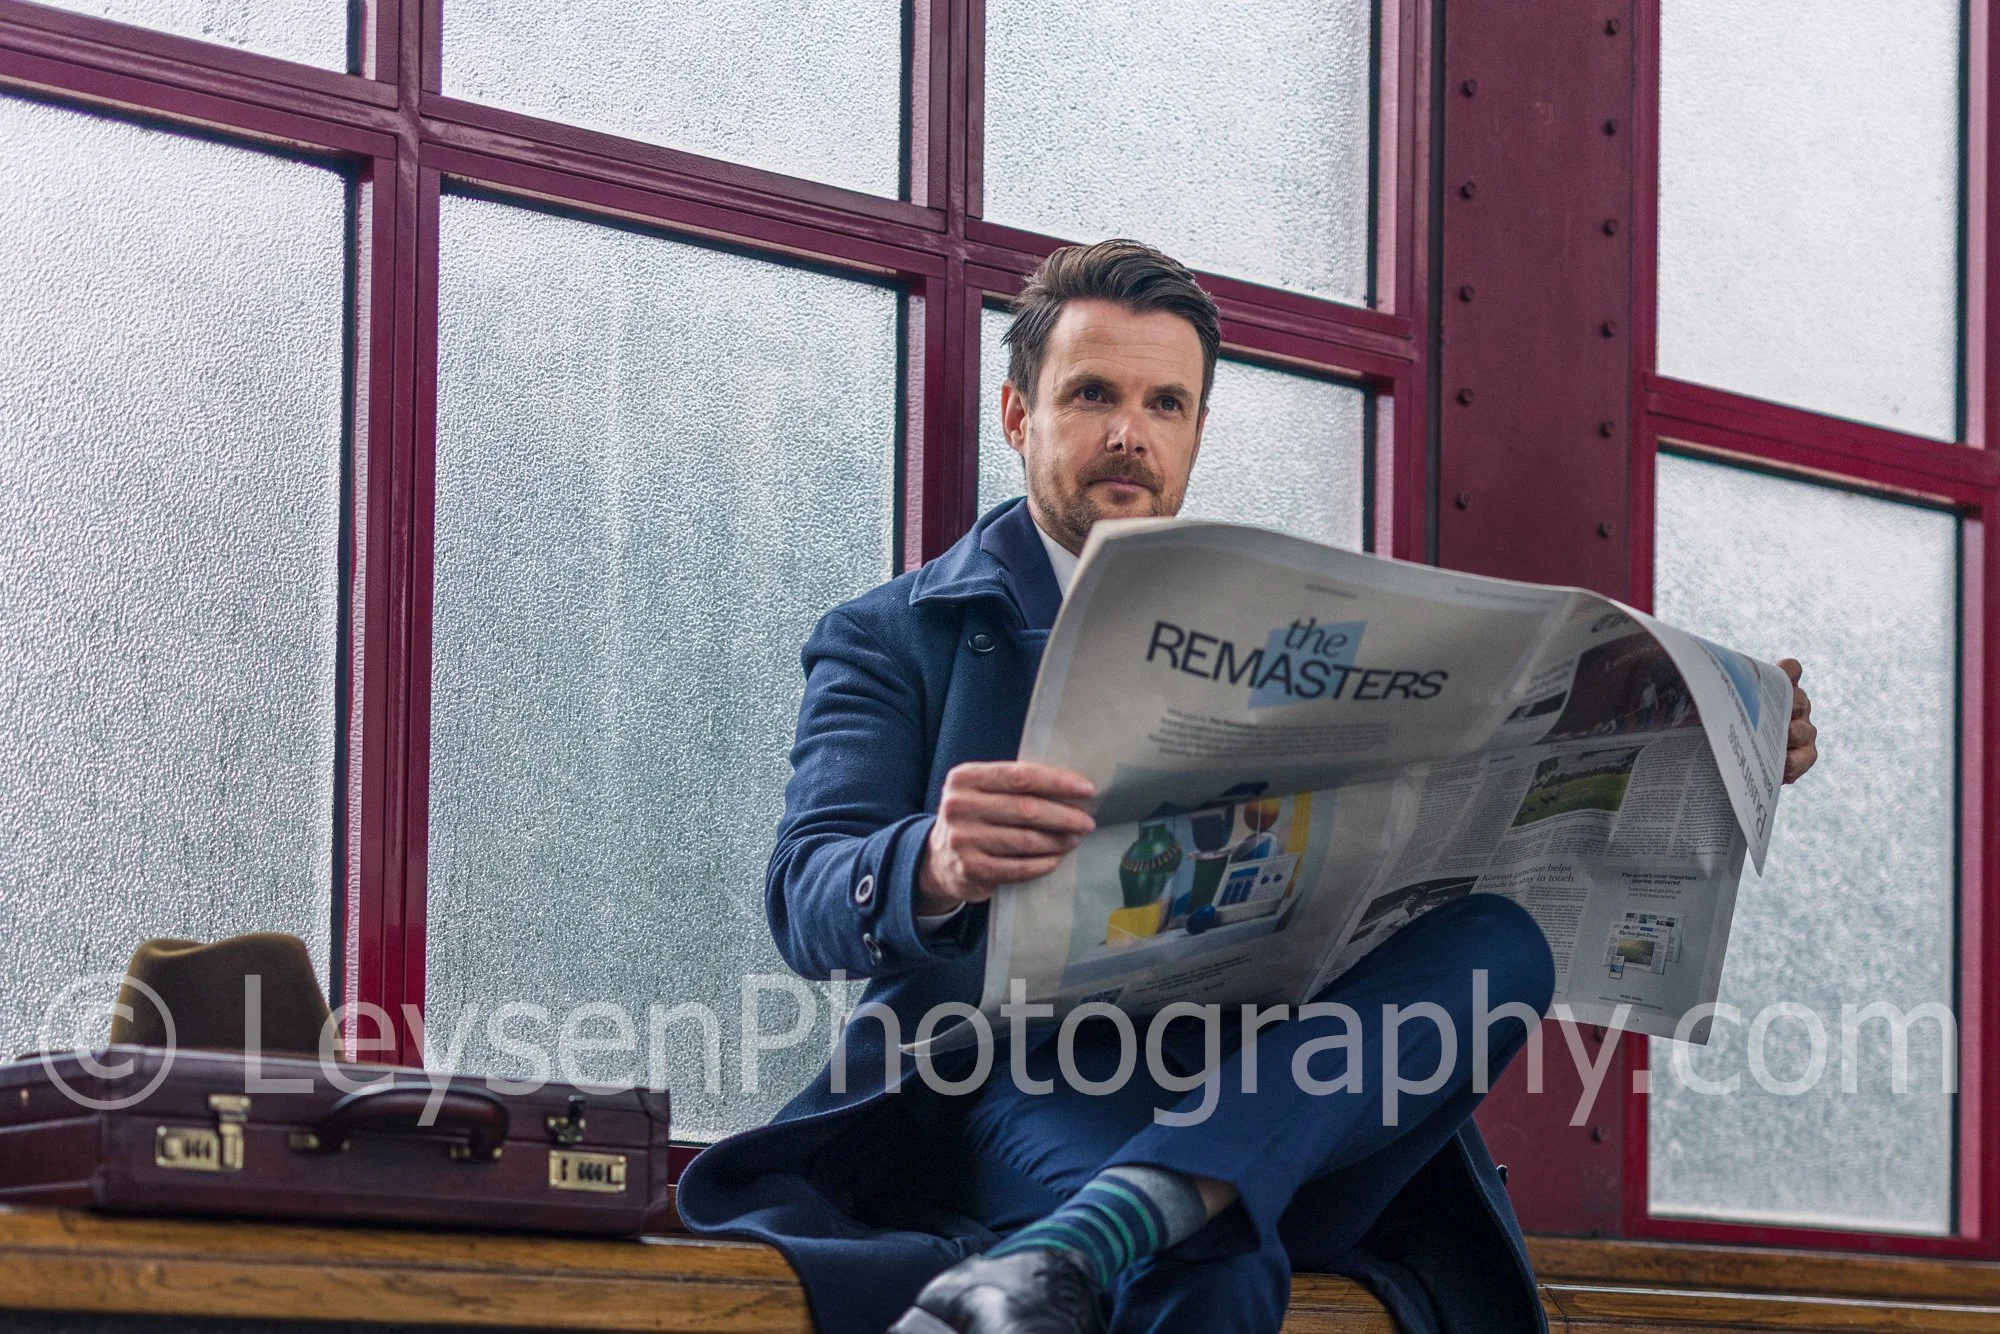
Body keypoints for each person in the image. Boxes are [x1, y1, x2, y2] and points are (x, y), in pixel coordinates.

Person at [676, 239, 1821, 1334]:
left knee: (1503, 941)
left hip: (1295, 1095)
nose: (1128, 434)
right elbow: (804, 894)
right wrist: (931, 861)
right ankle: (1134, 1214)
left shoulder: (1296, 625)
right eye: (1090, 396)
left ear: (1197, 430)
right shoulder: (894, 634)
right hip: (1018, 1086)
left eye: (1164, 405)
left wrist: (1713, 737)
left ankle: (1108, 1223)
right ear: (1018, 413)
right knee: (1202, 1259)